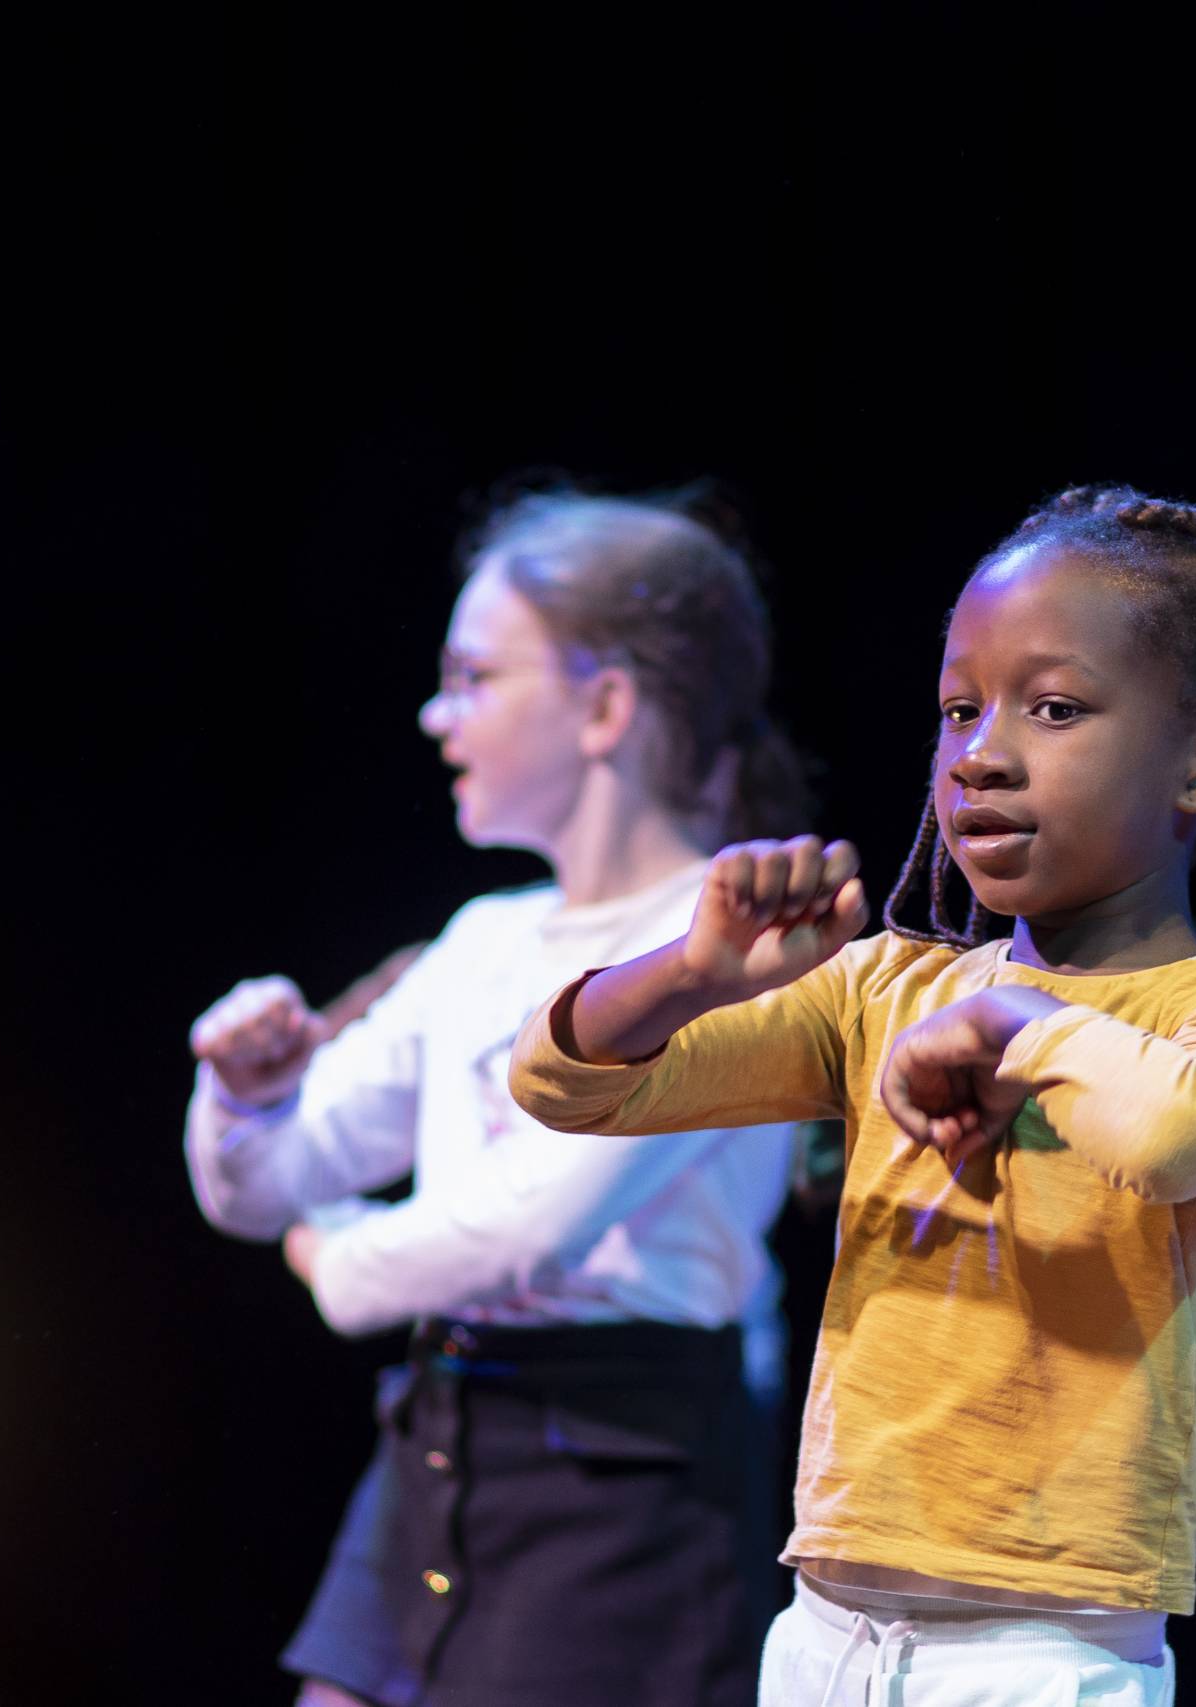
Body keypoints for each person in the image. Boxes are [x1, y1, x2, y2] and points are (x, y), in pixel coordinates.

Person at [510, 484, 1196, 1704]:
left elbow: (1175, 1134)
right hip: (826, 1631)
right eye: (959, 711)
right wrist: (688, 973)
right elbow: (563, 1085)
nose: (980, 754)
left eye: (1052, 708)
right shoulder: (881, 990)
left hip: (1040, 1649)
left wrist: (1021, 1017)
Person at [183, 490, 806, 1707]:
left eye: (473, 680)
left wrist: (339, 1255)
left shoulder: (728, 950)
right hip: (442, 1429)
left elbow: (531, 1219)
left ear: (605, 706)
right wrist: (241, 1098)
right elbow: (261, 1190)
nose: (437, 714)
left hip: (622, 1470)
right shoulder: (480, 940)